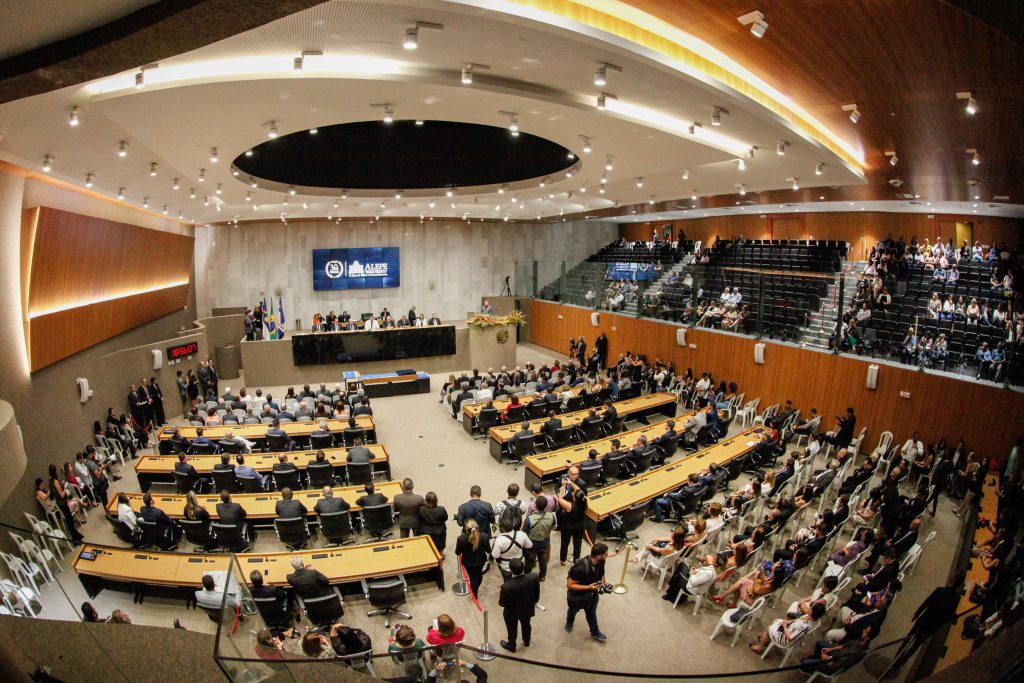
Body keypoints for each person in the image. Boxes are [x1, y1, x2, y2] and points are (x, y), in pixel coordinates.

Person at [565, 542, 610, 642]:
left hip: (592, 594)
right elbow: (570, 585)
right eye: (606, 554)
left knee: (592, 613)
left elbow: (602, 572)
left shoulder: (601, 561)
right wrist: (588, 587)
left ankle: (594, 632)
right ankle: (569, 622)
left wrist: (603, 583)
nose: (608, 555)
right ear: (598, 556)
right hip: (577, 596)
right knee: (573, 611)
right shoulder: (579, 568)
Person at [498, 558, 540, 653]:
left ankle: (511, 645)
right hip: (527, 608)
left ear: (510, 570)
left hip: (512, 612)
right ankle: (526, 641)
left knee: (512, 628)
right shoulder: (534, 577)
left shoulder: (507, 586)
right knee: (526, 625)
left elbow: (502, 603)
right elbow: (537, 593)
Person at [556, 467, 588, 564]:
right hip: (580, 525)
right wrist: (571, 483)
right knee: (578, 543)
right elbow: (579, 490)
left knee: (565, 542)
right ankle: (576, 561)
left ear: (574, 498)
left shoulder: (570, 506)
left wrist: (563, 487)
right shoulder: (585, 501)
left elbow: (560, 499)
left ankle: (563, 560)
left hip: (569, 525)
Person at [523, 495, 555, 581]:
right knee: (542, 560)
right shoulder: (552, 516)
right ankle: (542, 576)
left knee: (529, 560)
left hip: (531, 544)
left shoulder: (529, 519)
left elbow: (524, 532)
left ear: (535, 506)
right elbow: (554, 527)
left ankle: (527, 576)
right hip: (544, 543)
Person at [455, 519, 489, 598]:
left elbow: (457, 552)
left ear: (466, 529)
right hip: (481, 561)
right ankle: (475, 588)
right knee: (479, 575)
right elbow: (488, 550)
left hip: (468, 562)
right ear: (478, 527)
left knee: (472, 577)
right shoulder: (484, 536)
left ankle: (474, 594)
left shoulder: (461, 539)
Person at [418, 492, 449, 557]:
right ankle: (440, 556)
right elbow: (445, 518)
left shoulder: (421, 509)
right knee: (440, 546)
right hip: (439, 531)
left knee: (428, 545)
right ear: (436, 500)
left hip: (426, 531)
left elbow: (420, 519)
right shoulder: (441, 509)